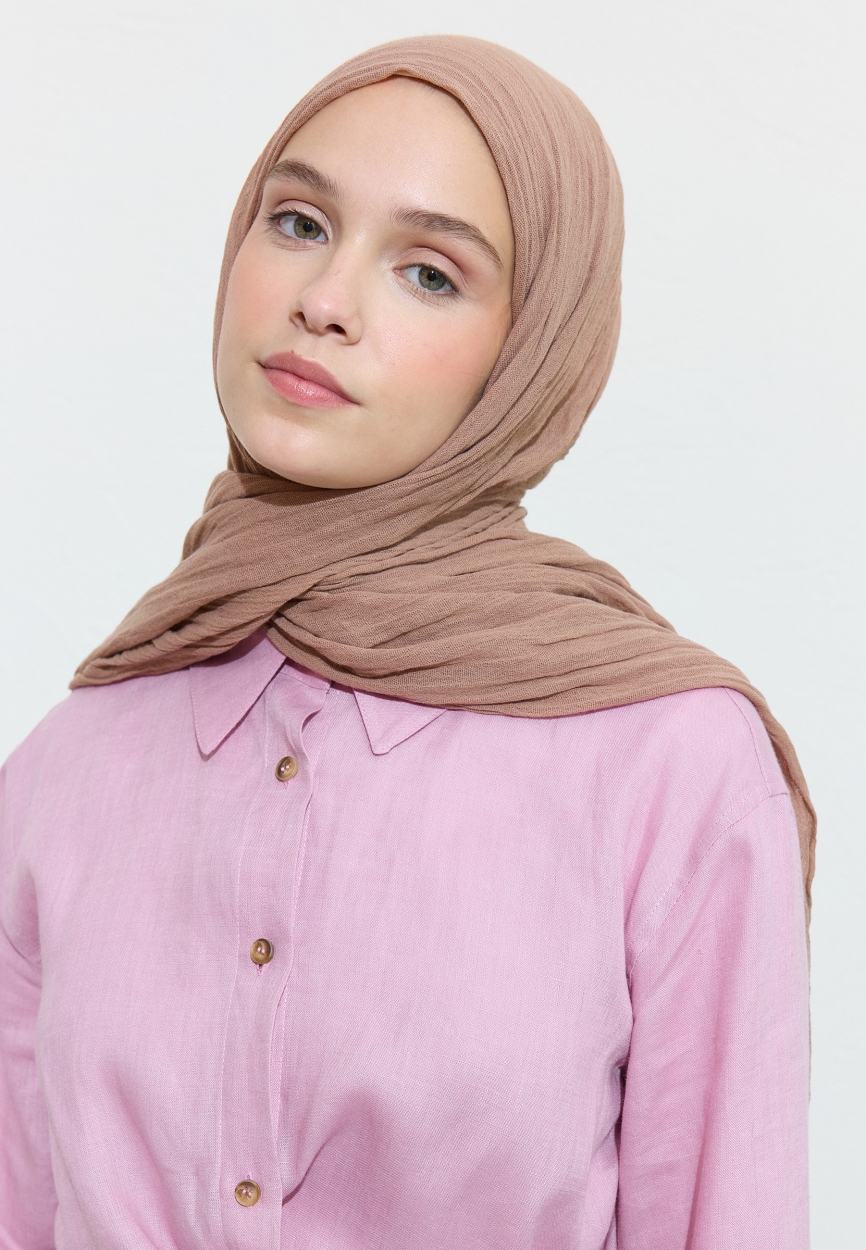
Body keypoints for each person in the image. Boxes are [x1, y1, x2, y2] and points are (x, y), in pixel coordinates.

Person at [0, 34, 813, 1250]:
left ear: (531, 351)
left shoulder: (670, 765)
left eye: (429, 273)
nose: (324, 301)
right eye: (297, 223)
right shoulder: (65, 768)